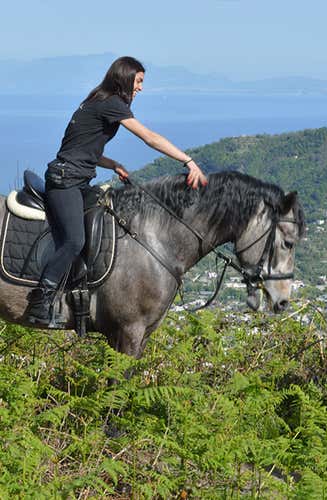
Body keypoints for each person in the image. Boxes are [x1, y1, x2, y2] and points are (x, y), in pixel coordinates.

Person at [24, 56, 208, 326]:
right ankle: (40, 301)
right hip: (66, 181)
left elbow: (80, 148)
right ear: (125, 78)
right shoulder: (111, 103)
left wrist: (112, 164)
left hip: (76, 177)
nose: (141, 88)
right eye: (139, 81)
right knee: (74, 240)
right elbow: (149, 138)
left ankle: (80, 295)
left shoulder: (97, 99)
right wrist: (187, 160)